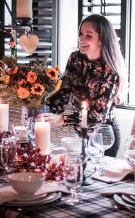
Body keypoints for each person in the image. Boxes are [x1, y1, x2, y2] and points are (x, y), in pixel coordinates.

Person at [38, 14, 125, 157]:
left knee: (97, 177)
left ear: (102, 40)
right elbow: (64, 91)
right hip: (81, 134)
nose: (81, 39)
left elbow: (97, 116)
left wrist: (61, 119)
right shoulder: (75, 58)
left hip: (104, 136)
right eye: (81, 34)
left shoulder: (110, 70)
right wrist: (44, 109)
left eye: (88, 35)